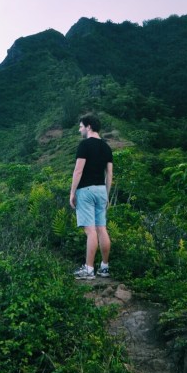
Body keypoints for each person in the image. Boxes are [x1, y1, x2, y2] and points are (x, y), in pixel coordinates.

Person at [70, 114, 113, 279]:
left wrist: (72, 192)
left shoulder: (84, 145)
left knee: (90, 231)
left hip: (86, 191)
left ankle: (88, 270)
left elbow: (78, 170)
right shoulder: (107, 147)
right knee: (101, 228)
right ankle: (104, 267)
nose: (79, 129)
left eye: (81, 126)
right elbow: (109, 175)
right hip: (101, 190)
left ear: (88, 126)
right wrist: (106, 195)